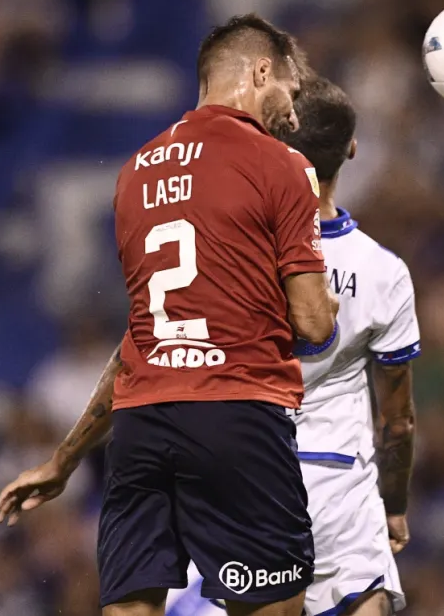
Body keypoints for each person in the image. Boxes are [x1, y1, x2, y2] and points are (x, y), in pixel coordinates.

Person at [0, 14, 339, 616]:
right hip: (237, 414)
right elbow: (313, 325)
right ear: (260, 72)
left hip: (141, 428)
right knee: (274, 608)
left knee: (129, 608)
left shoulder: (136, 173)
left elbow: (143, 340)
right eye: (291, 89)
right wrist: (324, 301)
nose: (294, 110)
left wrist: (64, 460)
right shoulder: (282, 166)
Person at [166, 76, 420, 616]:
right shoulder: (385, 273)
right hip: (343, 489)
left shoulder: (229, 255)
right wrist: (393, 507)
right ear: (351, 150)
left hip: (251, 479)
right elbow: (397, 423)